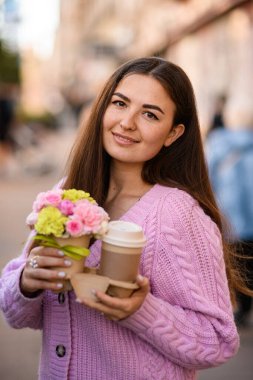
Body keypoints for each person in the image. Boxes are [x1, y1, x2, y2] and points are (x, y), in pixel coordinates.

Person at [0, 57, 245, 380]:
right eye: (120, 103)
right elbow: (16, 313)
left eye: (149, 114)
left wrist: (141, 311)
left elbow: (218, 341)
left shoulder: (179, 215)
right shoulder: (69, 194)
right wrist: (27, 282)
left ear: (173, 133)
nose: (127, 122)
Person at [205, 102, 253, 327]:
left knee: (235, 262)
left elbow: (207, 177)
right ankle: (246, 307)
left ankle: (239, 307)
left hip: (230, 214)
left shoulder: (219, 144)